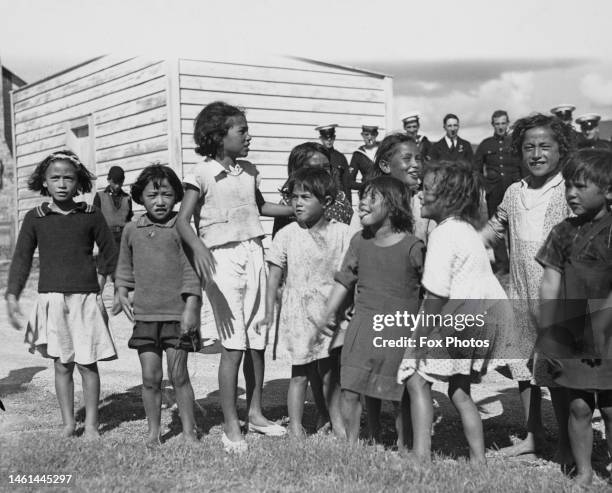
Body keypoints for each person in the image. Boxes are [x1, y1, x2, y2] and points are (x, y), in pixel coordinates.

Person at [176, 101, 292, 453]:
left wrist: (302, 209)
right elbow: (183, 221)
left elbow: (260, 208)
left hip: (254, 250)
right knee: (233, 345)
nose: (248, 136)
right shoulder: (202, 173)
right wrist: (198, 248)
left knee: (256, 340)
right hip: (221, 258)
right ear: (217, 136)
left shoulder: (250, 170)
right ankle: (230, 425)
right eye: (241, 130)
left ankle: (255, 414)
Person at [397, 161, 510, 464]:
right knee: (460, 391)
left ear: (449, 200)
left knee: (416, 379)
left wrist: (419, 338)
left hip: (458, 318)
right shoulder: (467, 231)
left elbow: (436, 294)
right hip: (483, 317)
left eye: (426, 190)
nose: (419, 195)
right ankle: (478, 459)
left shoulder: (443, 235)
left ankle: (420, 458)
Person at [5, 150, 118, 439]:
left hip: (85, 299)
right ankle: (68, 423)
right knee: (62, 363)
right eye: (55, 178)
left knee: (87, 363)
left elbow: (110, 251)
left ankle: (91, 424)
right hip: (52, 299)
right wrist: (12, 294)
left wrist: (105, 280)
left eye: (69, 177)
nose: (62, 183)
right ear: (44, 183)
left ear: (78, 181)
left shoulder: (91, 215)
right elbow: (21, 258)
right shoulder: (36, 217)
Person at [482, 113, 574, 464]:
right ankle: (533, 437)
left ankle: (569, 443)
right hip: (519, 294)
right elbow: (495, 226)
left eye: (545, 146)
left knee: (560, 371)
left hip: (558, 297)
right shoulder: (513, 191)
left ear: (561, 149)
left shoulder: (569, 189)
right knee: (523, 366)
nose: (536, 154)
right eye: (529, 147)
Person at [318, 176, 425, 447]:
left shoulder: (413, 246)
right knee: (352, 388)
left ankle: (404, 443)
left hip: (400, 332)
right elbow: (344, 279)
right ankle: (354, 443)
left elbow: (430, 289)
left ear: (393, 205)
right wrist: (329, 312)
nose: (362, 203)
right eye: (361, 197)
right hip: (362, 328)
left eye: (371, 198)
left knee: (399, 394)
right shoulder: (359, 241)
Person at [536, 149, 612, 486]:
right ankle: (583, 471)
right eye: (568, 185)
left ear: (608, 190)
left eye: (580, 186)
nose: (571, 193)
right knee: (579, 406)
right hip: (571, 330)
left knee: (610, 408)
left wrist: (598, 325)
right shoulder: (562, 232)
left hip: (607, 333)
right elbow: (550, 283)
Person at [113, 164, 202, 447]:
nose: (160, 201)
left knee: (179, 376)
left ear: (177, 196)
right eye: (153, 195)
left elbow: (192, 270)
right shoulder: (131, 229)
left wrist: (191, 306)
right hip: (146, 316)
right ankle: (153, 433)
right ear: (141, 197)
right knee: (150, 377)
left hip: (177, 316)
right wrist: (122, 290)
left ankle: (189, 432)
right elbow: (124, 267)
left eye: (166, 194)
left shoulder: (182, 228)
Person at [259, 167, 351, 438]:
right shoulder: (286, 235)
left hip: (331, 314)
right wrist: (267, 311)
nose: (297, 203)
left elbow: (350, 274)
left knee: (329, 375)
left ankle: (338, 424)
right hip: (298, 315)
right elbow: (274, 276)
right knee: (299, 373)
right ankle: (296, 427)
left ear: (327, 203)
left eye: (305, 197)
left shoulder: (343, 233)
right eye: (294, 197)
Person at [474, 110, 524, 273]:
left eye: (503, 123)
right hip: (494, 192)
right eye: (497, 124)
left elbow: (523, 166)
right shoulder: (486, 144)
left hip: (515, 190)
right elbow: (477, 169)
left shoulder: (516, 143)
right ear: (493, 125)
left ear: (508, 123)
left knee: (516, 226)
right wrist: (486, 187)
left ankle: (517, 264)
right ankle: (502, 264)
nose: (501, 127)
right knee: (497, 227)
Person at [272, 142, 353, 237]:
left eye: (326, 167)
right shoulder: (288, 204)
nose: (322, 173)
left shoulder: (339, 199)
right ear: (297, 171)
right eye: (314, 168)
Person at [371, 132, 434, 245]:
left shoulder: (424, 205)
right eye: (407, 158)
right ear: (385, 166)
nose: (416, 164)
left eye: (418, 158)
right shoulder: (369, 206)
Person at [93, 165, 133, 246]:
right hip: (107, 238)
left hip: (124, 238)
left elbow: (129, 220)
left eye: (120, 182)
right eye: (115, 182)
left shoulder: (127, 198)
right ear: (109, 180)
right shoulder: (100, 196)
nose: (117, 186)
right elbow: (95, 220)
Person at [316, 124, 352, 203]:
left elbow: (346, 183)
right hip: (321, 200)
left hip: (338, 200)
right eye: (326, 138)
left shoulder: (340, 157)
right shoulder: (316, 157)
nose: (329, 140)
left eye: (331, 138)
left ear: (334, 138)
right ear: (321, 139)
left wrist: (349, 203)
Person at [347, 125, 380, 192]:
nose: (369, 137)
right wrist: (364, 186)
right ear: (362, 135)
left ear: (377, 134)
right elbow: (350, 181)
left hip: (384, 191)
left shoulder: (383, 149)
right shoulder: (358, 154)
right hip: (367, 193)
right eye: (366, 135)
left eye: (373, 134)